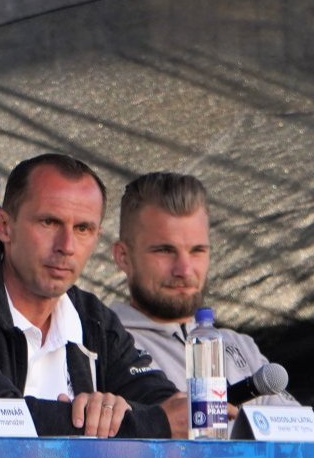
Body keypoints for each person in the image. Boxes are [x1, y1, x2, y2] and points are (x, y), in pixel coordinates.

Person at [0, 153, 187, 438]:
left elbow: (170, 407)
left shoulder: (93, 318)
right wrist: (143, 424)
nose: (66, 246)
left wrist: (133, 414)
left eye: (83, 228)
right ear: (4, 227)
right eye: (49, 222)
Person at [111, 171, 297, 410]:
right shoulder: (103, 347)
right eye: (164, 251)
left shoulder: (242, 347)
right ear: (123, 257)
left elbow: (300, 433)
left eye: (197, 251)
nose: (184, 269)